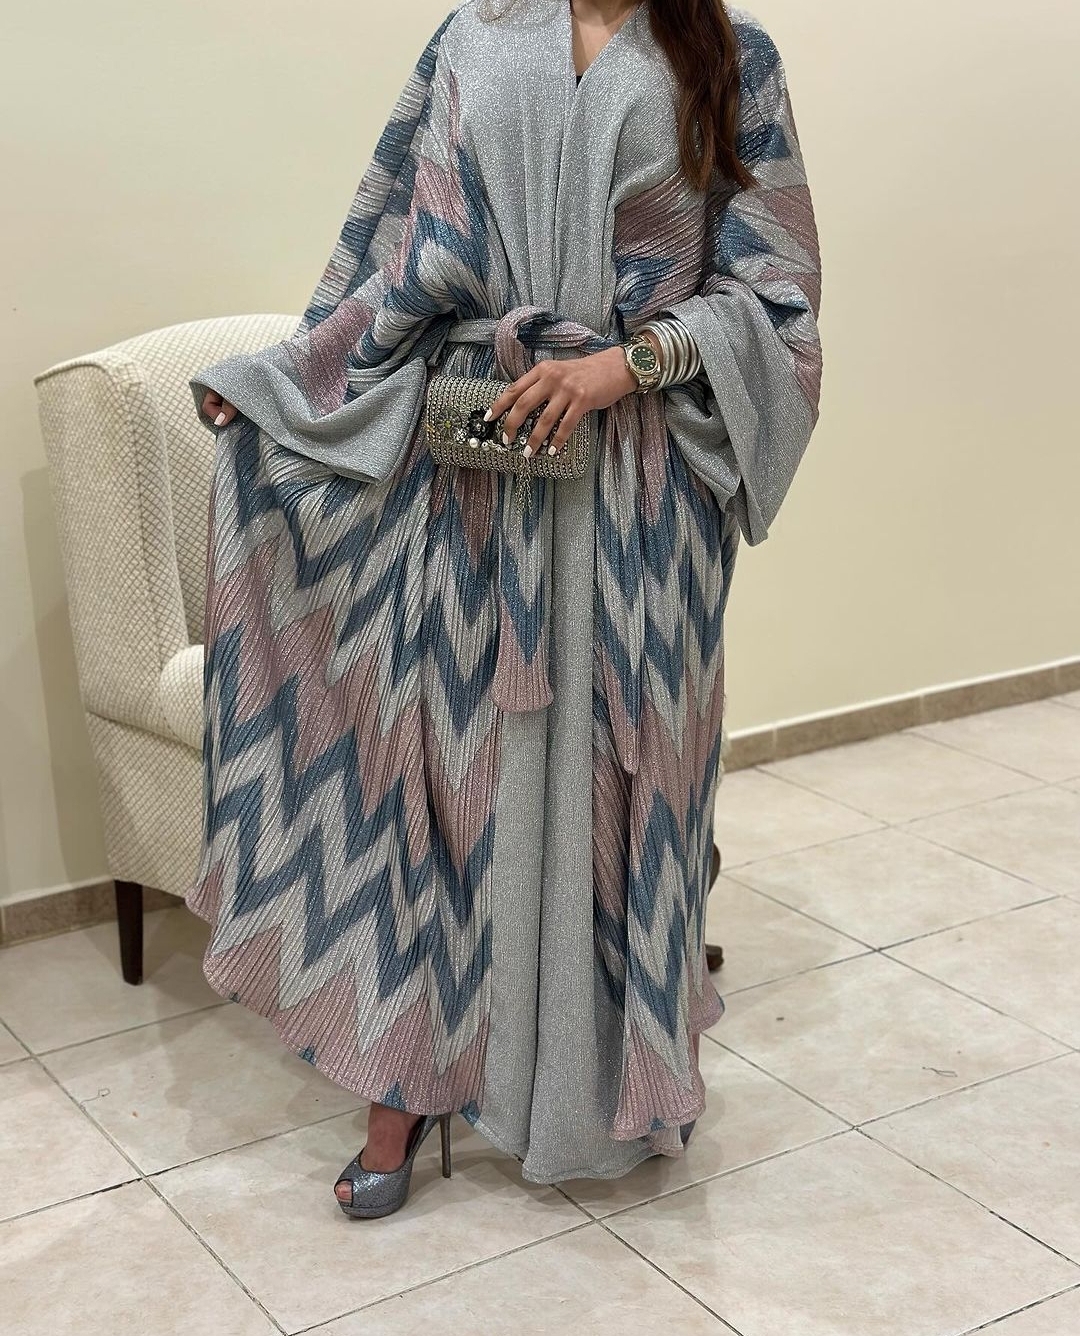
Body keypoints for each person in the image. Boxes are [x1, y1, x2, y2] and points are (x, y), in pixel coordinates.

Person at [187, 0, 822, 1219]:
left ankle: (619, 1066)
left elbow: (776, 295)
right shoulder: (475, 37)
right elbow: (390, 257)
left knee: (632, 770)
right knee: (448, 772)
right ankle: (407, 1075)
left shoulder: (731, 54)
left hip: (646, 491)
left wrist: (625, 364)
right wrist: (289, 385)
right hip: (479, 468)